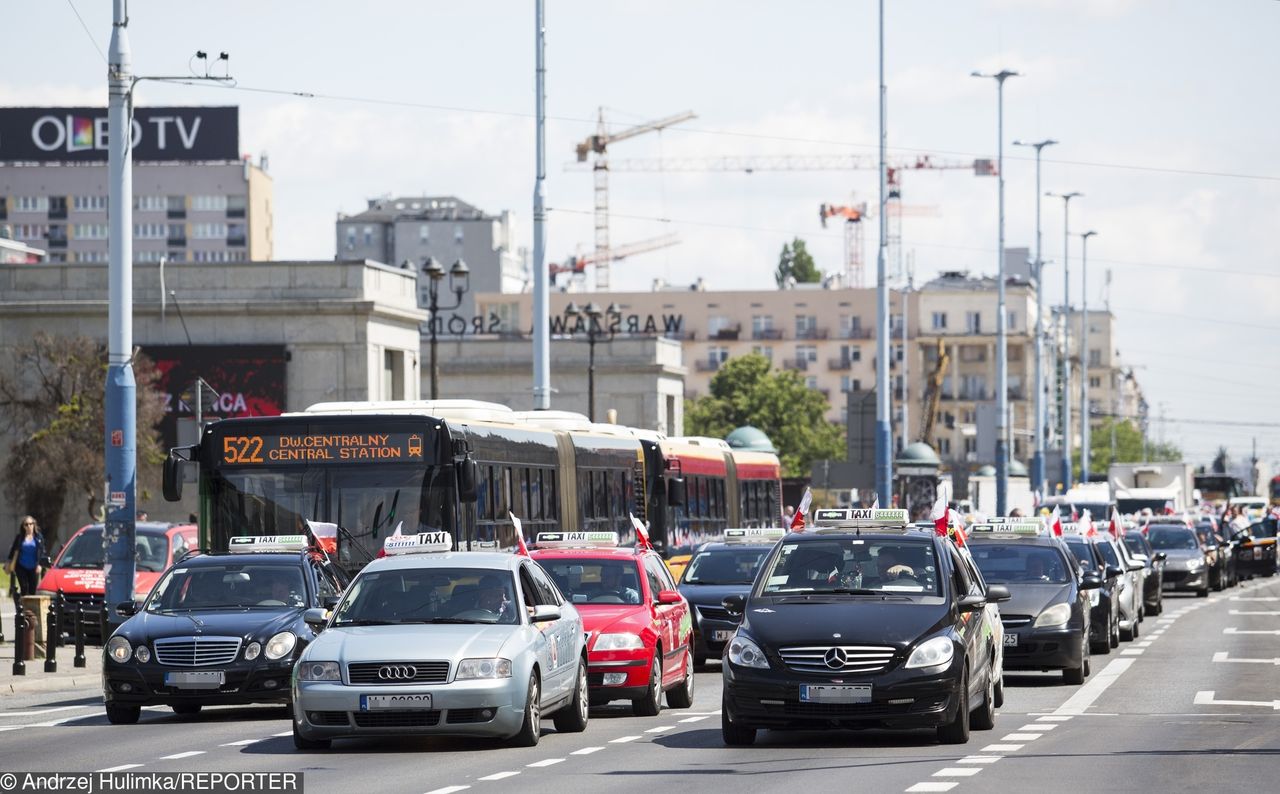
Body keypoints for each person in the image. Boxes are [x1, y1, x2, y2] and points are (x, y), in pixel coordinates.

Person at [5, 515, 47, 600]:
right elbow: (13, 551)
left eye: (31, 524)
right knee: (24, 588)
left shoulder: (38, 537)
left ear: (34, 525)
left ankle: (31, 610)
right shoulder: (19, 538)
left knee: (32, 590)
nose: (29, 526)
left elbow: (42, 552)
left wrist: (40, 565)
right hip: (21, 567)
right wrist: (8, 562)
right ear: (23, 526)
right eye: (26, 524)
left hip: (34, 567)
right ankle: (24, 610)